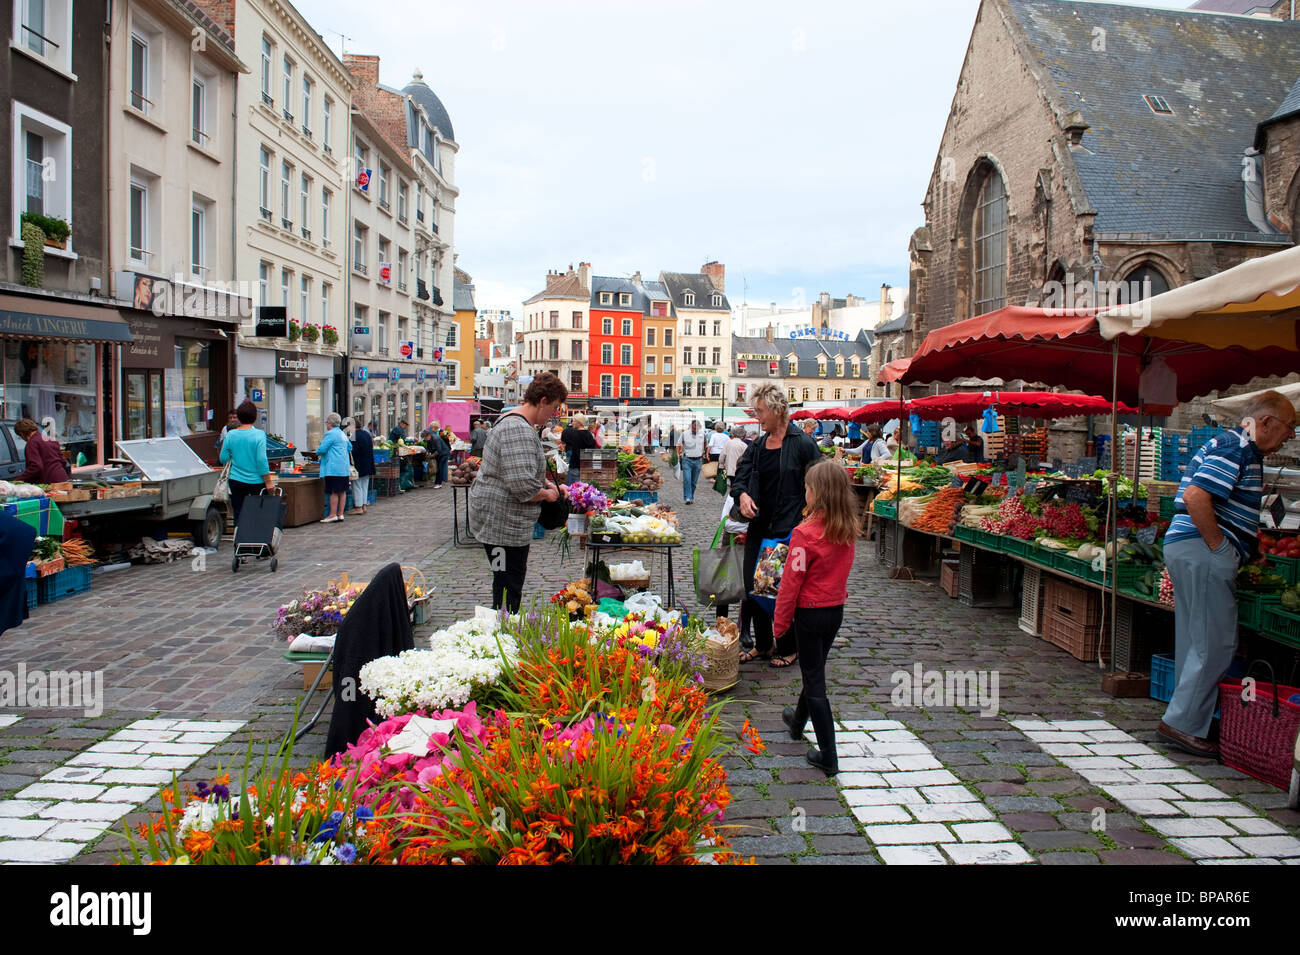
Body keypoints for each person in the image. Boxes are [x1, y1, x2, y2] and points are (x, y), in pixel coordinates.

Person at [1158, 391, 1296, 757]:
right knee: (1216, 643)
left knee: (1196, 641)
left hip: (1191, 548)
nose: (1291, 437)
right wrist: (1220, 548)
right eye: (1289, 427)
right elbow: (1196, 496)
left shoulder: (1238, 447)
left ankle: (1189, 717)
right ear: (1265, 422)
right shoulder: (1235, 446)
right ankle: (1182, 725)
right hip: (1202, 549)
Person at [775, 459, 859, 775]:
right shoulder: (847, 529)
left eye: (807, 488)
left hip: (808, 615)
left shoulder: (804, 534)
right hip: (834, 611)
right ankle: (797, 722)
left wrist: (780, 625)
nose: (804, 492)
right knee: (815, 669)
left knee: (815, 683)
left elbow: (790, 584)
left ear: (817, 493)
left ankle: (829, 756)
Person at [731, 383, 822, 668]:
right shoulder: (757, 446)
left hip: (788, 528)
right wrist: (743, 495)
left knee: (781, 590)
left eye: (760, 411)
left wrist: (811, 515)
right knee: (754, 587)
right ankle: (763, 644)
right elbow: (740, 479)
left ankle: (788, 646)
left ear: (777, 409)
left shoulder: (802, 443)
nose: (758, 417)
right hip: (759, 526)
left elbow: (819, 482)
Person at [469, 373, 569, 612]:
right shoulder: (517, 428)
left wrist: (548, 485)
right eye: (554, 408)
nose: (553, 415)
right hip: (502, 526)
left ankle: (504, 627)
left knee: (507, 580)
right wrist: (546, 495)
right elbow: (521, 484)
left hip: (503, 523)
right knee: (506, 584)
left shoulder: (515, 422)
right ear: (542, 400)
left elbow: (520, 469)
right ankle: (502, 632)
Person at [218, 402, 275, 523]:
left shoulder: (231, 435)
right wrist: (268, 481)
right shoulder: (259, 435)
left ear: (238, 416)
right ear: (255, 417)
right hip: (256, 481)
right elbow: (261, 460)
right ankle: (256, 538)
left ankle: (239, 538)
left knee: (238, 511)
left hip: (236, 479)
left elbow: (223, 458)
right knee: (258, 511)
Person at [318, 412, 351, 523]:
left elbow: (322, 449)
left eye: (326, 422)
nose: (326, 425)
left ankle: (332, 514)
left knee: (333, 491)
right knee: (342, 491)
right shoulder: (342, 433)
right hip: (344, 467)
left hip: (333, 467)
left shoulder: (331, 434)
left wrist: (317, 451)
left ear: (329, 423)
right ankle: (340, 514)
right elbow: (350, 447)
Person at [14, 419, 71, 483]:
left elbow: (36, 466)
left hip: (49, 482)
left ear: (22, 433)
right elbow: (63, 461)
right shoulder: (49, 439)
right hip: (62, 478)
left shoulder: (32, 443)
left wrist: (19, 480)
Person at [561, 413, 596, 486]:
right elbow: (592, 449)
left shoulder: (575, 434)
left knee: (576, 488)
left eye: (574, 421)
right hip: (586, 465)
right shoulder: (589, 434)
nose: (572, 423)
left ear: (579, 422)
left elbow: (575, 451)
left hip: (576, 465)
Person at [677, 419, 706, 504]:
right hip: (687, 460)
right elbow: (678, 444)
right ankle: (687, 498)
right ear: (691, 426)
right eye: (693, 428)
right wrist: (678, 454)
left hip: (698, 460)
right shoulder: (685, 434)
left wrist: (702, 451)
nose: (695, 430)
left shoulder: (702, 434)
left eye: (696, 429)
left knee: (694, 481)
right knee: (687, 479)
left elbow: (705, 443)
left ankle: (691, 496)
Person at [351, 418, 375, 514]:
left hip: (358, 464)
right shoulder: (366, 434)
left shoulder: (353, 436)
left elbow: (353, 451)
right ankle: (364, 505)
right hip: (368, 463)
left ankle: (358, 507)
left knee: (357, 486)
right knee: (365, 486)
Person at [426, 420, 450, 488]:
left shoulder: (443, 432)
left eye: (432, 427)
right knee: (440, 467)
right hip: (439, 452)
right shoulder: (435, 432)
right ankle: (440, 481)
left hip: (443, 451)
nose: (431, 429)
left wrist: (448, 448)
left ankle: (441, 481)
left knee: (441, 467)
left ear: (434, 427)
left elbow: (447, 441)